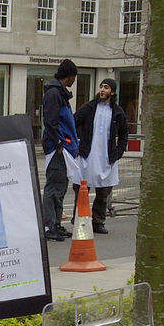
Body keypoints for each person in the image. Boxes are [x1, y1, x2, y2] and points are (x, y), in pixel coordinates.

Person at [71, 78, 128, 234]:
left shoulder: (117, 112)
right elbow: (73, 123)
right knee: (81, 189)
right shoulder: (88, 108)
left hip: (107, 157)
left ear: (113, 92)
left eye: (106, 87)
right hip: (86, 155)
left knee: (104, 192)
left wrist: (118, 152)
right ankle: (79, 218)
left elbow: (124, 134)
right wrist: (74, 146)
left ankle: (98, 221)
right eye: (101, 87)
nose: (102, 90)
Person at [41, 59, 79, 242]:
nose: (74, 80)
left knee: (60, 186)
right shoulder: (55, 94)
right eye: (74, 77)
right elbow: (51, 121)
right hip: (58, 148)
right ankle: (49, 225)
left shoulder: (57, 93)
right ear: (70, 76)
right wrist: (58, 142)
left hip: (61, 147)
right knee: (55, 186)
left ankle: (55, 223)